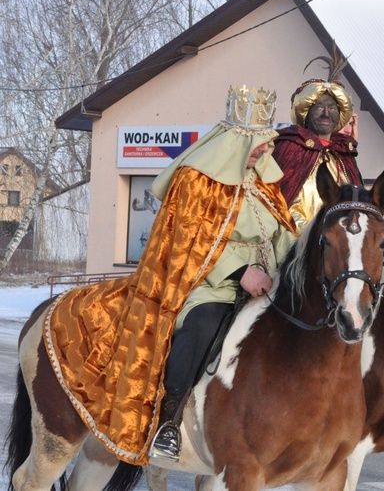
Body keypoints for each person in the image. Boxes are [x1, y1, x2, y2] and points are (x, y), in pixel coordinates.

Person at [44, 85, 297, 465]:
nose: (267, 151)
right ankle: (169, 420)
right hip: (205, 284)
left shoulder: (264, 183)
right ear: (236, 141)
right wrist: (241, 270)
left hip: (265, 286)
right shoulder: (196, 180)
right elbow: (184, 240)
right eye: (260, 144)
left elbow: (283, 232)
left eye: (268, 144)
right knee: (203, 324)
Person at [273, 45, 363, 229]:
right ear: (306, 112)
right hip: (295, 243)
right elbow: (279, 202)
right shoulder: (290, 147)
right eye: (319, 107)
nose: (326, 114)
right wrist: (312, 237)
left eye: (332, 108)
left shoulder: (343, 155)